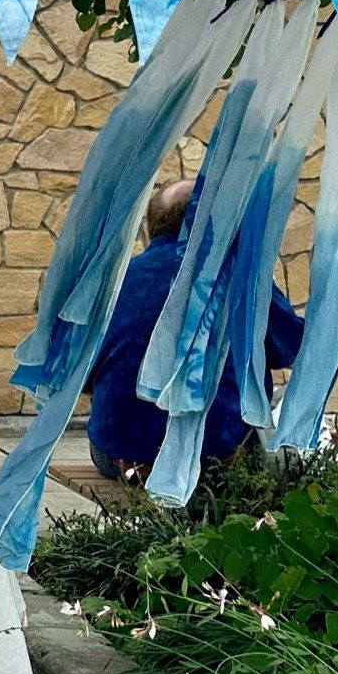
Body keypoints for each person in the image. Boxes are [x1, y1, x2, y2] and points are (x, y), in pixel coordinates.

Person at [86, 179, 304, 481]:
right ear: (213, 221)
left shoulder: (115, 284)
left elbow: (84, 377)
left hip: (123, 458)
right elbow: (296, 350)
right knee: (278, 405)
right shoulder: (240, 277)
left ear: (151, 227)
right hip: (217, 459)